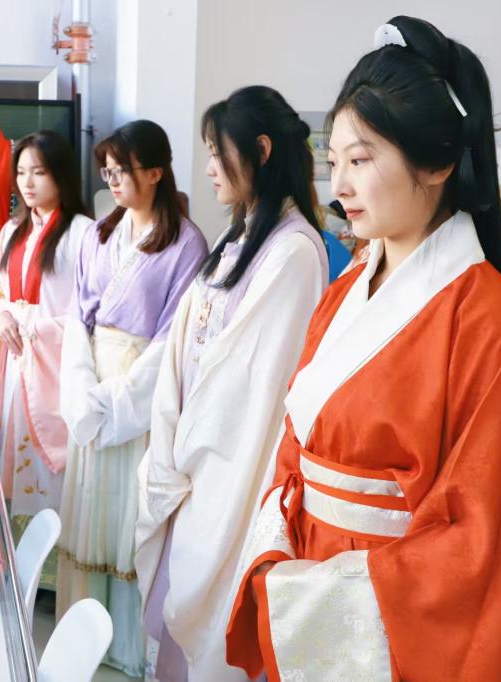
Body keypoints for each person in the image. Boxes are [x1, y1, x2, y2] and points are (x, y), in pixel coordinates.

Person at [225, 17, 501, 681]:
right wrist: (277, 562)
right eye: (334, 162)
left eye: (361, 160)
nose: (338, 186)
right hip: (302, 573)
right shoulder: (345, 291)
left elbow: (484, 539)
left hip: (395, 622)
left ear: (438, 162)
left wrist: (323, 596)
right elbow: (295, 443)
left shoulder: (493, 320)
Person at [135, 86, 330, 682]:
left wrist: (184, 450)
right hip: (192, 464)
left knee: (217, 632)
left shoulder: (293, 252)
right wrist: (168, 445)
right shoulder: (239, 238)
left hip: (232, 473)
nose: (209, 168)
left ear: (261, 151)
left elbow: (248, 392)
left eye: (218, 153)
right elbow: (182, 351)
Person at [57, 120, 208, 676]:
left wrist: (115, 403)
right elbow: (76, 318)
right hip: (92, 378)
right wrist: (81, 393)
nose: (113, 180)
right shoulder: (99, 234)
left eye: (122, 170)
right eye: (108, 171)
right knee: (90, 506)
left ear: (156, 171)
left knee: (128, 512)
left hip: (137, 390)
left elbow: (173, 342)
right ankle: (82, 639)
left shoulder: (187, 244)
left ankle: (127, 645)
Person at [0, 130, 93, 588]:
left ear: (61, 175)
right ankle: (12, 565)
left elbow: (87, 309)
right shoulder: (11, 231)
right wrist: (2, 315)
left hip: (52, 366)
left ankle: (50, 579)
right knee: (12, 455)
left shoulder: (83, 234)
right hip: (17, 365)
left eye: (38, 172)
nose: (27, 182)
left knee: (49, 468)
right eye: (21, 172)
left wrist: (36, 326)